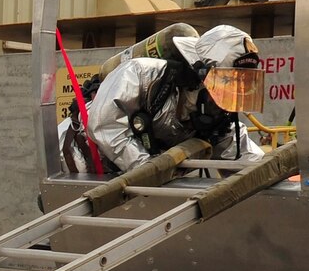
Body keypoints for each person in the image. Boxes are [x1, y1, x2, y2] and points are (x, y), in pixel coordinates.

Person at [86, 23, 267, 172]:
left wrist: (270, 174)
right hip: (79, 162)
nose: (233, 92)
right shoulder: (140, 72)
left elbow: (241, 155)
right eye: (228, 82)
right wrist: (148, 169)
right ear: (202, 74)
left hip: (128, 178)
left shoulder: (216, 114)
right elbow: (104, 124)